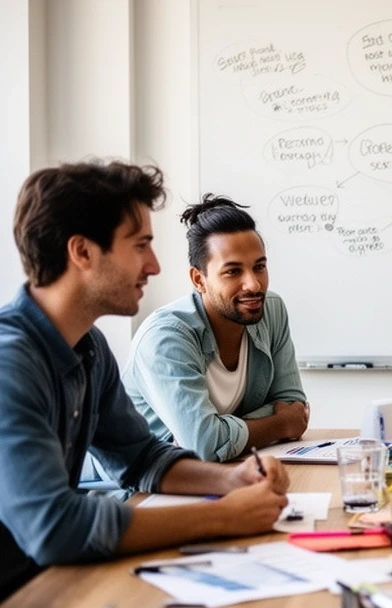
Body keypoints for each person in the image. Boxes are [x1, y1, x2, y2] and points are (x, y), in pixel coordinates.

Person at [0, 161, 290, 600]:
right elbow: (53, 528)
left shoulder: (89, 347)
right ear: (82, 253)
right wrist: (225, 516)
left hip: (58, 577)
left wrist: (229, 482)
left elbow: (141, 458)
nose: (153, 266)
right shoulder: (10, 363)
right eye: (140, 246)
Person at [122, 195, 308, 462]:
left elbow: (293, 406)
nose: (254, 285)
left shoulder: (272, 310)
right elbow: (204, 445)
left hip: (228, 471)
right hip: (141, 488)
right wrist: (279, 424)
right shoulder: (166, 338)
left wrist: (219, 430)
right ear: (199, 279)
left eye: (259, 267)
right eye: (233, 272)